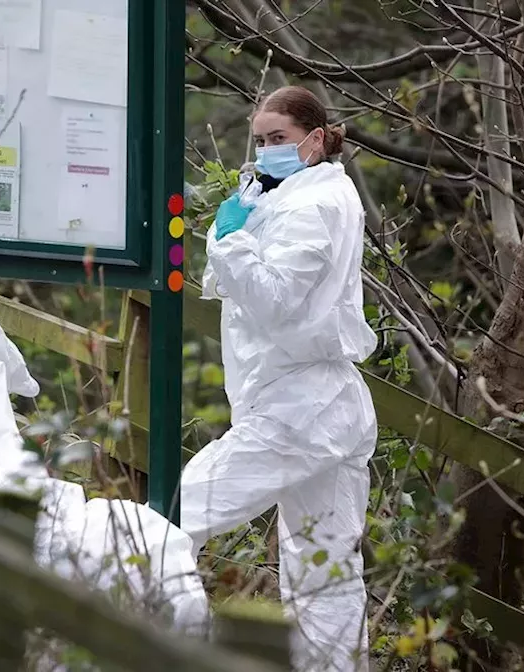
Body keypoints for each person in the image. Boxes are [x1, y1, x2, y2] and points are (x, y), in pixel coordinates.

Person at [180, 85, 377, 672]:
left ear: (315, 140)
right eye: (260, 140)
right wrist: (244, 223)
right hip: (317, 405)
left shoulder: (314, 204)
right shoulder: (296, 193)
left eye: (279, 139)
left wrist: (229, 236)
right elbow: (231, 287)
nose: (266, 151)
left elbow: (274, 299)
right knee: (326, 574)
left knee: (177, 511)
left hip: (299, 409)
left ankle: (125, 632)